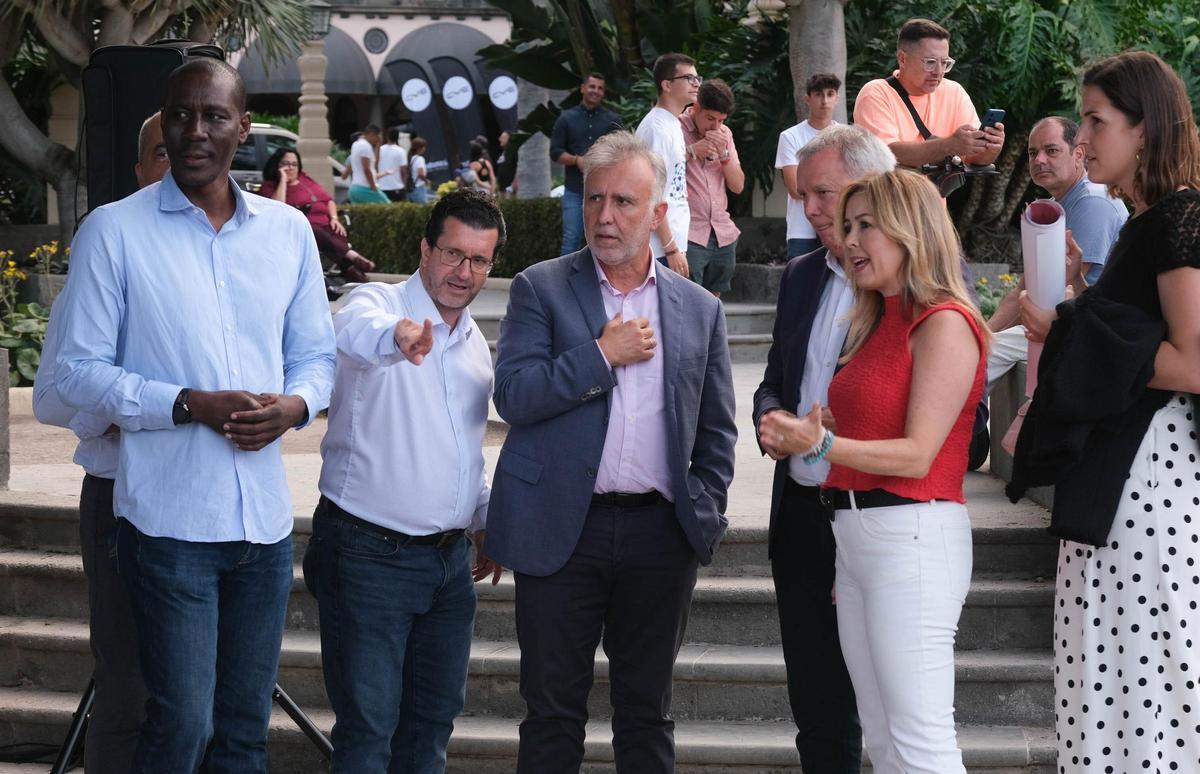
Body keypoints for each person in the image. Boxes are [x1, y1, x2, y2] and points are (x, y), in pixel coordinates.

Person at [53, 58, 336, 773]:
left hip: (262, 528)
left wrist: (295, 406)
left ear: (244, 127)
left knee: (243, 734)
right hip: (168, 525)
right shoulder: (113, 231)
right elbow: (73, 373)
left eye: (214, 116)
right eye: (181, 115)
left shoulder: (287, 233)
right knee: (180, 727)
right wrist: (186, 404)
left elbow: (316, 357)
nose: (196, 131)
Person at [486, 131, 737, 773]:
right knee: (551, 715)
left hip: (660, 536)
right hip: (561, 531)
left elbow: (716, 432)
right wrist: (601, 355)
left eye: (624, 201)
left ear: (656, 214)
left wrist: (701, 511)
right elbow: (514, 395)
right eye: (595, 198)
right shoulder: (541, 288)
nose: (604, 216)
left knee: (647, 715)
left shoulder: (698, 308)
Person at [761, 168, 989, 774]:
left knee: (920, 743)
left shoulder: (944, 320)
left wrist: (821, 443)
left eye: (867, 225)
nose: (850, 240)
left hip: (912, 539)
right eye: (849, 225)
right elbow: (871, 424)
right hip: (858, 539)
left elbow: (918, 455)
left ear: (910, 230)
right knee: (884, 742)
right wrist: (817, 431)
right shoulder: (878, 317)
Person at [1009, 50, 1200, 773]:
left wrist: (1070, 321)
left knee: (1143, 671)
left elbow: (1193, 361)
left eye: (1096, 121)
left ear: (1144, 128)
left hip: (1148, 479)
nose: (1083, 140)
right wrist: (1079, 297)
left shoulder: (1178, 216)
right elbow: (1132, 334)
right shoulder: (1150, 220)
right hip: (1127, 476)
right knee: (1111, 667)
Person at [307, 189, 504, 772]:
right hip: (367, 555)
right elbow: (351, 329)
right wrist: (398, 336)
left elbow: (463, 449)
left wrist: (484, 517)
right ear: (425, 249)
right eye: (452, 254)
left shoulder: (475, 345)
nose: (463, 272)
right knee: (368, 733)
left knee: (431, 729)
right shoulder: (378, 301)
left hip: (449, 566)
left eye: (479, 260)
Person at [752, 124, 895, 773]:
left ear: (872, 190)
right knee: (816, 704)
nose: (808, 208)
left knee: (891, 710)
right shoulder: (802, 274)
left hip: (876, 516)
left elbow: (953, 422)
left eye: (823, 193)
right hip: (802, 517)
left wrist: (846, 430)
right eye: (803, 194)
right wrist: (771, 417)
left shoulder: (910, 284)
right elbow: (776, 379)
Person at [30, 110, 168, 774]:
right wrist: (114, 413)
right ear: (140, 171)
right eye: (164, 151)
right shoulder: (105, 254)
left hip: (209, 499)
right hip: (117, 500)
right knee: (127, 689)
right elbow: (50, 396)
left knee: (203, 693)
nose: (182, 161)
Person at [982, 116, 1129, 390]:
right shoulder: (1056, 206)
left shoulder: (1093, 202)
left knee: (977, 358)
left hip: (1091, 330)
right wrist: (984, 334)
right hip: (1063, 321)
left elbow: (1055, 290)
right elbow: (1025, 287)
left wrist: (984, 341)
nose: (1039, 160)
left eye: (1051, 150)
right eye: (1032, 153)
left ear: (1079, 154)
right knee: (978, 350)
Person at [853, 18, 1005, 170]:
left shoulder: (954, 92)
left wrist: (990, 147)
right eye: (930, 62)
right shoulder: (876, 93)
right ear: (902, 58)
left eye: (944, 63)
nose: (938, 72)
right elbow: (887, 153)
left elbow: (974, 158)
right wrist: (948, 146)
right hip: (891, 186)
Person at [258, 147, 376, 283]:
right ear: (277, 165)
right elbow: (278, 207)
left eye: (294, 164)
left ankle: (350, 270)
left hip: (326, 225)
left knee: (334, 231)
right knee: (311, 230)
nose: (290, 167)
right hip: (298, 230)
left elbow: (328, 200)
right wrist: (283, 180)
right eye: (286, 164)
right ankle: (353, 257)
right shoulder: (270, 186)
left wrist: (334, 218)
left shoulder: (305, 179)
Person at [636, 53, 698, 277]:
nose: (696, 84)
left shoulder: (672, 123)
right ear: (667, 85)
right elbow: (652, 193)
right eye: (689, 78)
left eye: (697, 78)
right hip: (658, 248)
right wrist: (670, 247)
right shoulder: (657, 129)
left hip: (671, 245)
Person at [682, 78, 744, 296]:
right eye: (710, 118)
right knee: (688, 298)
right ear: (696, 107)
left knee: (714, 300)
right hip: (690, 232)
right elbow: (658, 167)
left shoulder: (725, 134)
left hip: (722, 231)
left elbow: (737, 186)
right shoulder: (676, 128)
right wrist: (691, 151)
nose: (716, 126)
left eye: (721, 120)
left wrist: (724, 155)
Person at [550, 73, 623, 254]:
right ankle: (566, 274)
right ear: (583, 88)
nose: (595, 91)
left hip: (604, 193)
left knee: (604, 238)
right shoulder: (566, 118)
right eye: (592, 86)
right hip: (575, 190)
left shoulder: (613, 120)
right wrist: (576, 160)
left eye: (600, 88)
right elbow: (555, 152)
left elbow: (621, 152)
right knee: (571, 238)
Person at [776, 73, 842, 258]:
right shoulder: (790, 136)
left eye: (830, 94)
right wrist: (832, 187)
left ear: (837, 98)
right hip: (801, 230)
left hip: (838, 225)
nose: (825, 101)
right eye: (819, 94)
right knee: (801, 276)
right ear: (808, 99)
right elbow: (795, 189)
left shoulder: (846, 136)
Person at [349, 123, 389, 203]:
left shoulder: (356, 144)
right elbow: (366, 169)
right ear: (372, 134)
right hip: (365, 187)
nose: (378, 140)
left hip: (354, 187)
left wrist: (378, 145)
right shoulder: (365, 146)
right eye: (378, 137)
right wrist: (373, 187)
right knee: (388, 206)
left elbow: (373, 164)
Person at [377, 127, 409, 202]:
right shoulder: (401, 151)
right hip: (397, 186)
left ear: (387, 137)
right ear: (398, 138)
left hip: (382, 186)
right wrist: (404, 185)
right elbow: (403, 171)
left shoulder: (379, 150)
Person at [408, 136, 430, 204]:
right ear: (420, 148)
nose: (424, 149)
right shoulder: (420, 159)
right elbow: (420, 174)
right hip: (419, 187)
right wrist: (426, 181)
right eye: (424, 147)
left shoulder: (411, 158)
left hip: (411, 188)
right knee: (424, 208)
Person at [496, 129, 517, 195]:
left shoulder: (514, 151)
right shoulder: (503, 153)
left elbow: (518, 168)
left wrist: (513, 185)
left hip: (510, 189)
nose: (499, 139)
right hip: (502, 189)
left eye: (502, 137)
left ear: (509, 139)